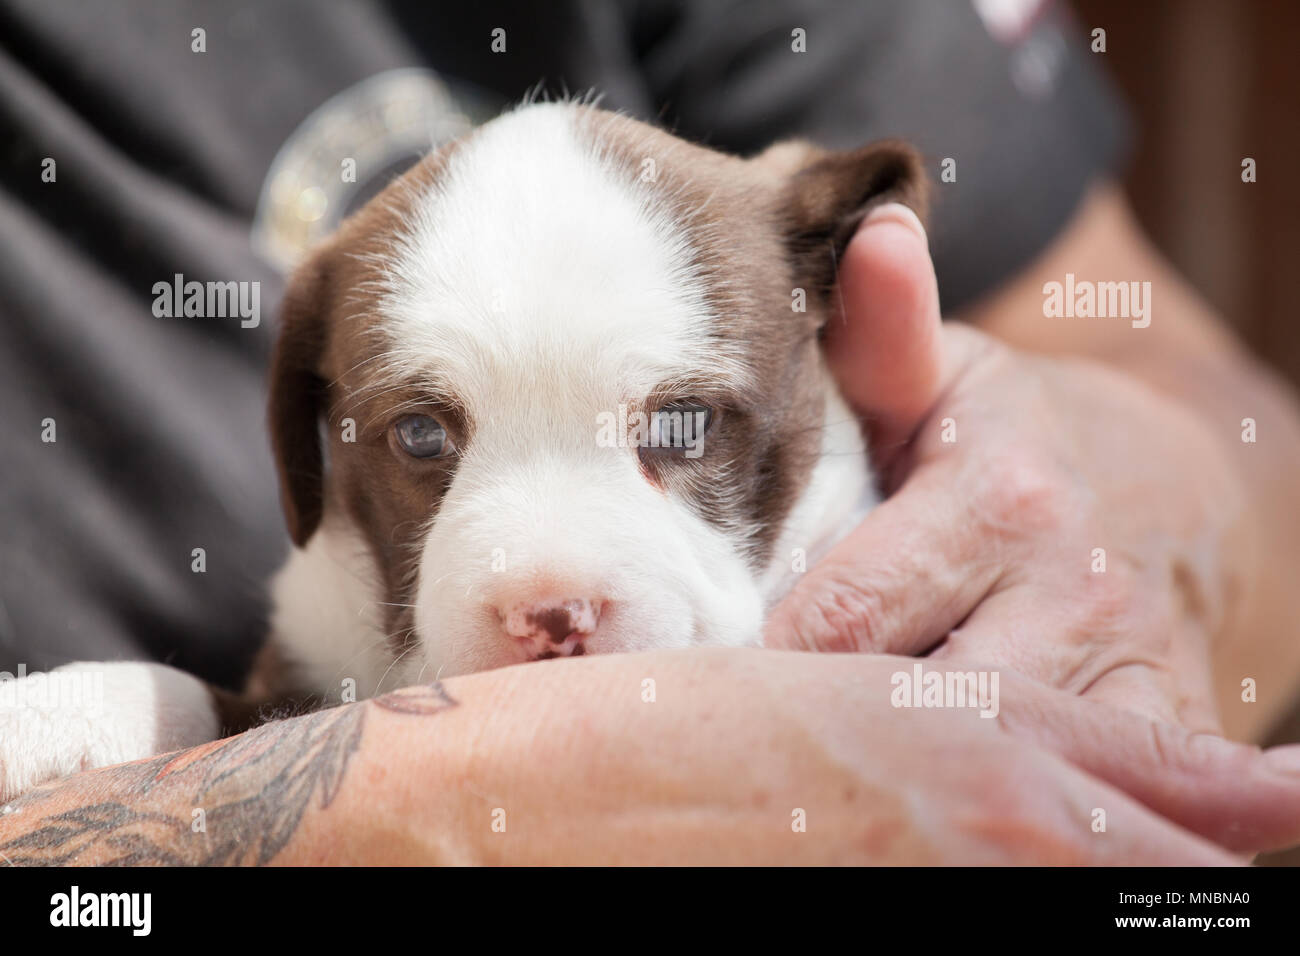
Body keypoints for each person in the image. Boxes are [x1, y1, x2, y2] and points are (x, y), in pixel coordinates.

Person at [2, 0, 1298, 863]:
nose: (547, 587)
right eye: (424, 442)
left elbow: (1201, 397)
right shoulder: (320, 631)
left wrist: (1122, 484)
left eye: (678, 425)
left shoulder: (830, 374)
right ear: (310, 444)